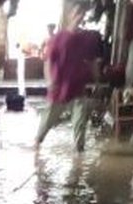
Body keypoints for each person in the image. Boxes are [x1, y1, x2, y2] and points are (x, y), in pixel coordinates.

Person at [35, 8, 102, 152]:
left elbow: (92, 62)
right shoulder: (58, 38)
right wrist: (49, 81)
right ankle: (36, 148)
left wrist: (97, 81)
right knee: (47, 122)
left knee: (80, 123)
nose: (80, 16)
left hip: (78, 88)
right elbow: (48, 61)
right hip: (59, 88)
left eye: (82, 14)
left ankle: (79, 156)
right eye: (77, 13)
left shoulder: (86, 39)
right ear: (70, 14)